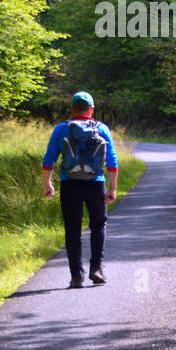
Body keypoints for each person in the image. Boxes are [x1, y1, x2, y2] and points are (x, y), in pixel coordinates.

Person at [41, 92, 119, 288]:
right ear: (91, 109)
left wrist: (47, 184)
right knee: (98, 226)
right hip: (96, 183)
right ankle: (96, 270)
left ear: (72, 108)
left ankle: (77, 275)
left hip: (70, 184)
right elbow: (112, 162)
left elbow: (48, 159)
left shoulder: (61, 129)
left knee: (72, 230)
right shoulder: (102, 129)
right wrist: (112, 188)